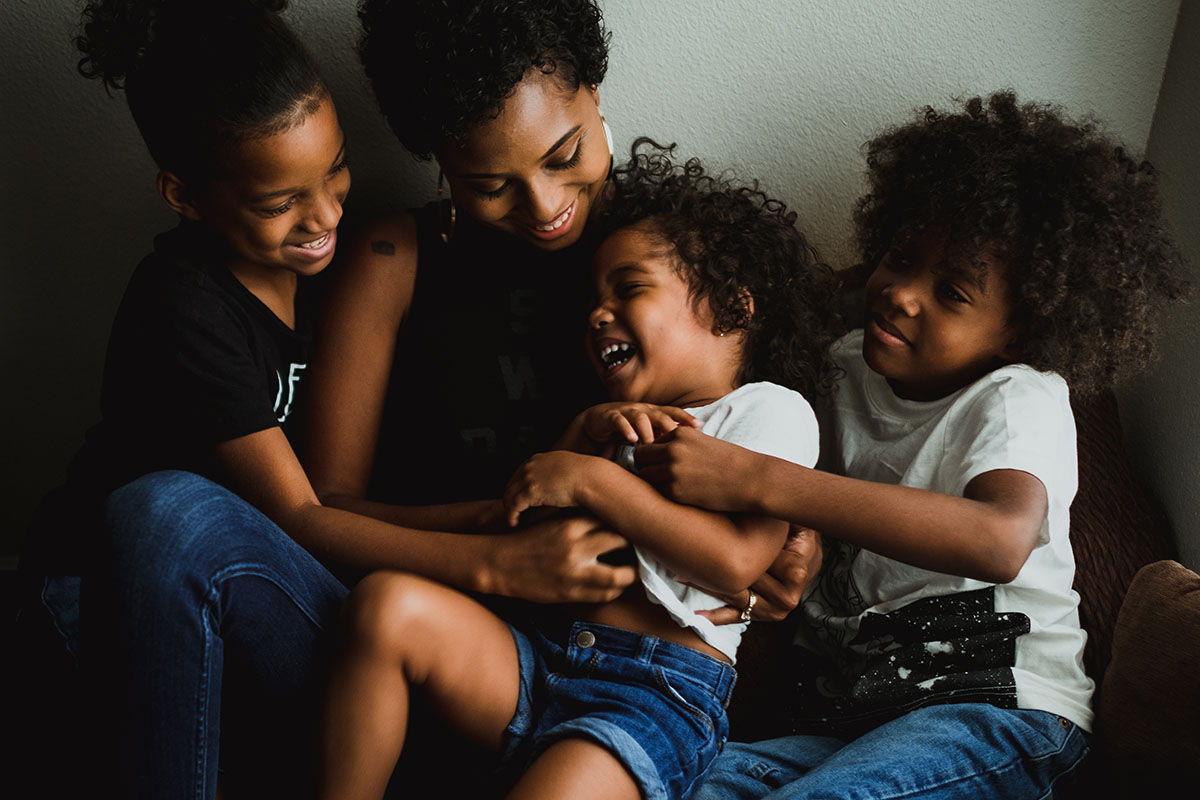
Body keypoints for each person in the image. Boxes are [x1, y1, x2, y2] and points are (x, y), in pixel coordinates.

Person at [625, 92, 1189, 799]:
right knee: (670, 784)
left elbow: (999, 538)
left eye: (951, 292)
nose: (901, 294)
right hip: (844, 726)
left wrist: (763, 482)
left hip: (997, 719)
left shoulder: (1017, 395)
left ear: (1020, 327)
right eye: (898, 258)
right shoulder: (836, 367)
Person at [317, 143, 841, 800]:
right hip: (547, 659)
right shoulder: (622, 420)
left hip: (654, 698)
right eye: (592, 299)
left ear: (733, 310)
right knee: (384, 607)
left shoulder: (768, 409)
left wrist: (595, 480)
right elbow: (529, 524)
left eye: (630, 289)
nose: (598, 314)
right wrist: (578, 442)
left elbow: (736, 564)